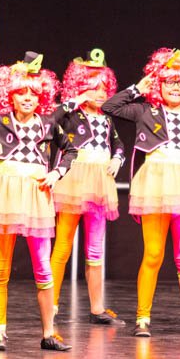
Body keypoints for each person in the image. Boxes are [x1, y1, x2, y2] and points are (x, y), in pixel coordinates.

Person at [0, 51, 78, 352]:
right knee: (1, 267)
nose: (27, 98)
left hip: (36, 192)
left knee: (43, 268)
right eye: (21, 92)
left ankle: (49, 333)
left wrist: (57, 172)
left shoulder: (48, 123)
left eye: (33, 93)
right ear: (10, 95)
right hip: (6, 193)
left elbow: (72, 150)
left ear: (41, 96)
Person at [102, 48, 180, 338]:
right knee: (153, 254)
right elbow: (109, 107)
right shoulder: (145, 111)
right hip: (155, 183)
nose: (175, 88)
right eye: (169, 82)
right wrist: (137, 88)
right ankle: (143, 318)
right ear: (159, 84)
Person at [50, 50, 126, 325]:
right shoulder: (71, 114)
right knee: (63, 245)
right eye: (93, 88)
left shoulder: (106, 118)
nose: (99, 93)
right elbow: (51, 119)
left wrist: (117, 158)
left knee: (95, 249)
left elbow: (118, 143)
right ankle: (51, 305)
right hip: (74, 179)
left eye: (104, 88)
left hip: (100, 182)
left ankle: (97, 308)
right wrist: (76, 100)